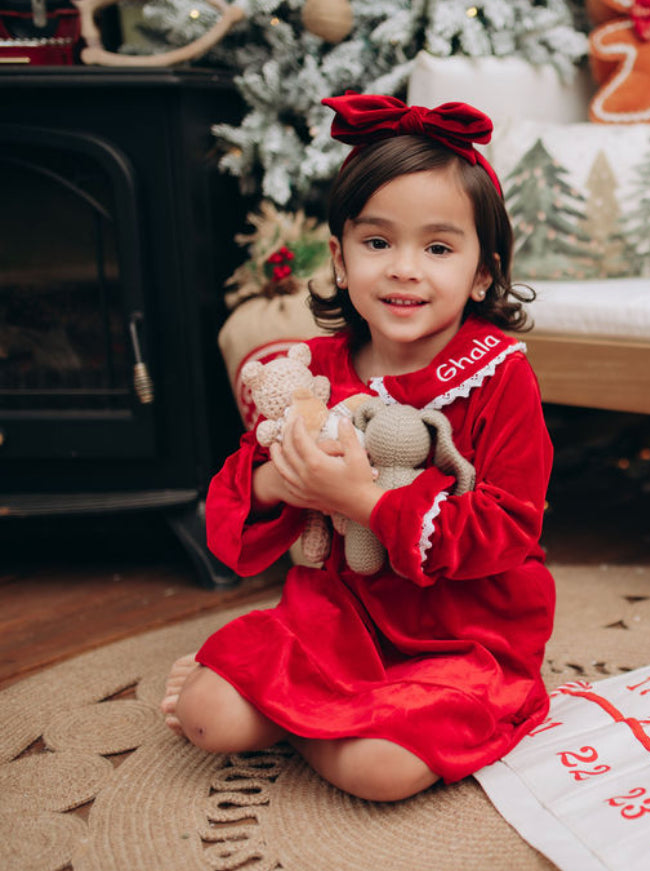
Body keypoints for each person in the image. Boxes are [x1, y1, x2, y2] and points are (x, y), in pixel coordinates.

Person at [160, 92, 555, 802]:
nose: (404, 268)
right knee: (205, 717)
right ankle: (320, 710)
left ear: (483, 273)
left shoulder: (499, 376)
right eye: (378, 243)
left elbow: (507, 527)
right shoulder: (311, 371)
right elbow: (236, 504)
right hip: (336, 616)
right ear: (340, 261)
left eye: (438, 248)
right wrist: (287, 482)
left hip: (459, 633)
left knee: (378, 773)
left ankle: (325, 720)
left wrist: (366, 502)